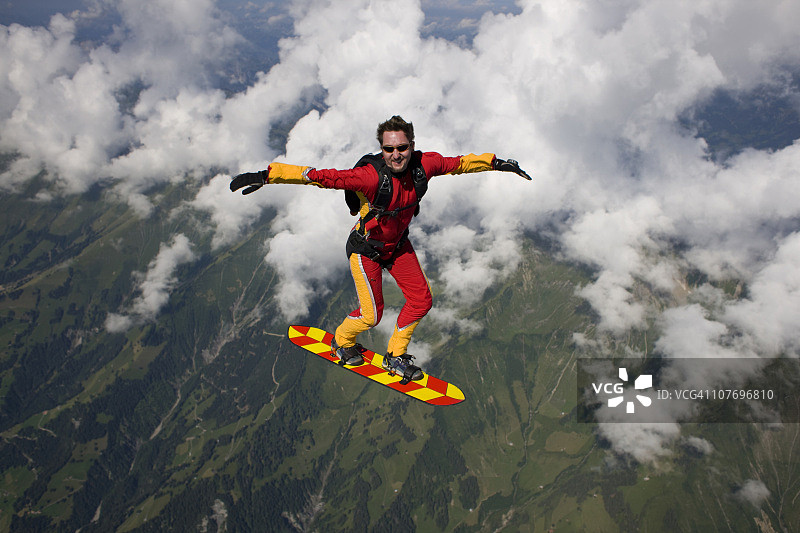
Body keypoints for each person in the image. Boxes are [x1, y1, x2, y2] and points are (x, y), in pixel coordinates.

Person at [231, 116, 531, 382]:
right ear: (381, 149)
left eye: (401, 147)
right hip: (367, 250)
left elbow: (460, 163)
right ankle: (342, 341)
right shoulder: (370, 177)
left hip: (397, 246)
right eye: (389, 149)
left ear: (411, 145)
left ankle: (395, 357)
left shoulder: (425, 165)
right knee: (371, 315)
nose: (396, 154)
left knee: (421, 301)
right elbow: (321, 176)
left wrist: (496, 162)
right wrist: (269, 175)